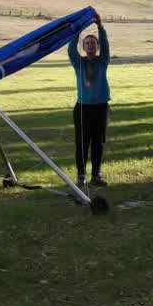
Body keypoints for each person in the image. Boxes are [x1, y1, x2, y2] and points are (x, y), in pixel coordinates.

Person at [67, 10, 110, 188]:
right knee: (82, 144)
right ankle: (81, 176)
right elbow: (71, 49)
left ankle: (96, 176)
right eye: (87, 43)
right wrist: (76, 31)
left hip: (100, 108)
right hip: (83, 108)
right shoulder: (79, 63)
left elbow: (106, 44)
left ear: (97, 46)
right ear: (83, 47)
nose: (91, 45)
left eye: (93, 43)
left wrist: (100, 27)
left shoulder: (102, 61)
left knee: (98, 142)